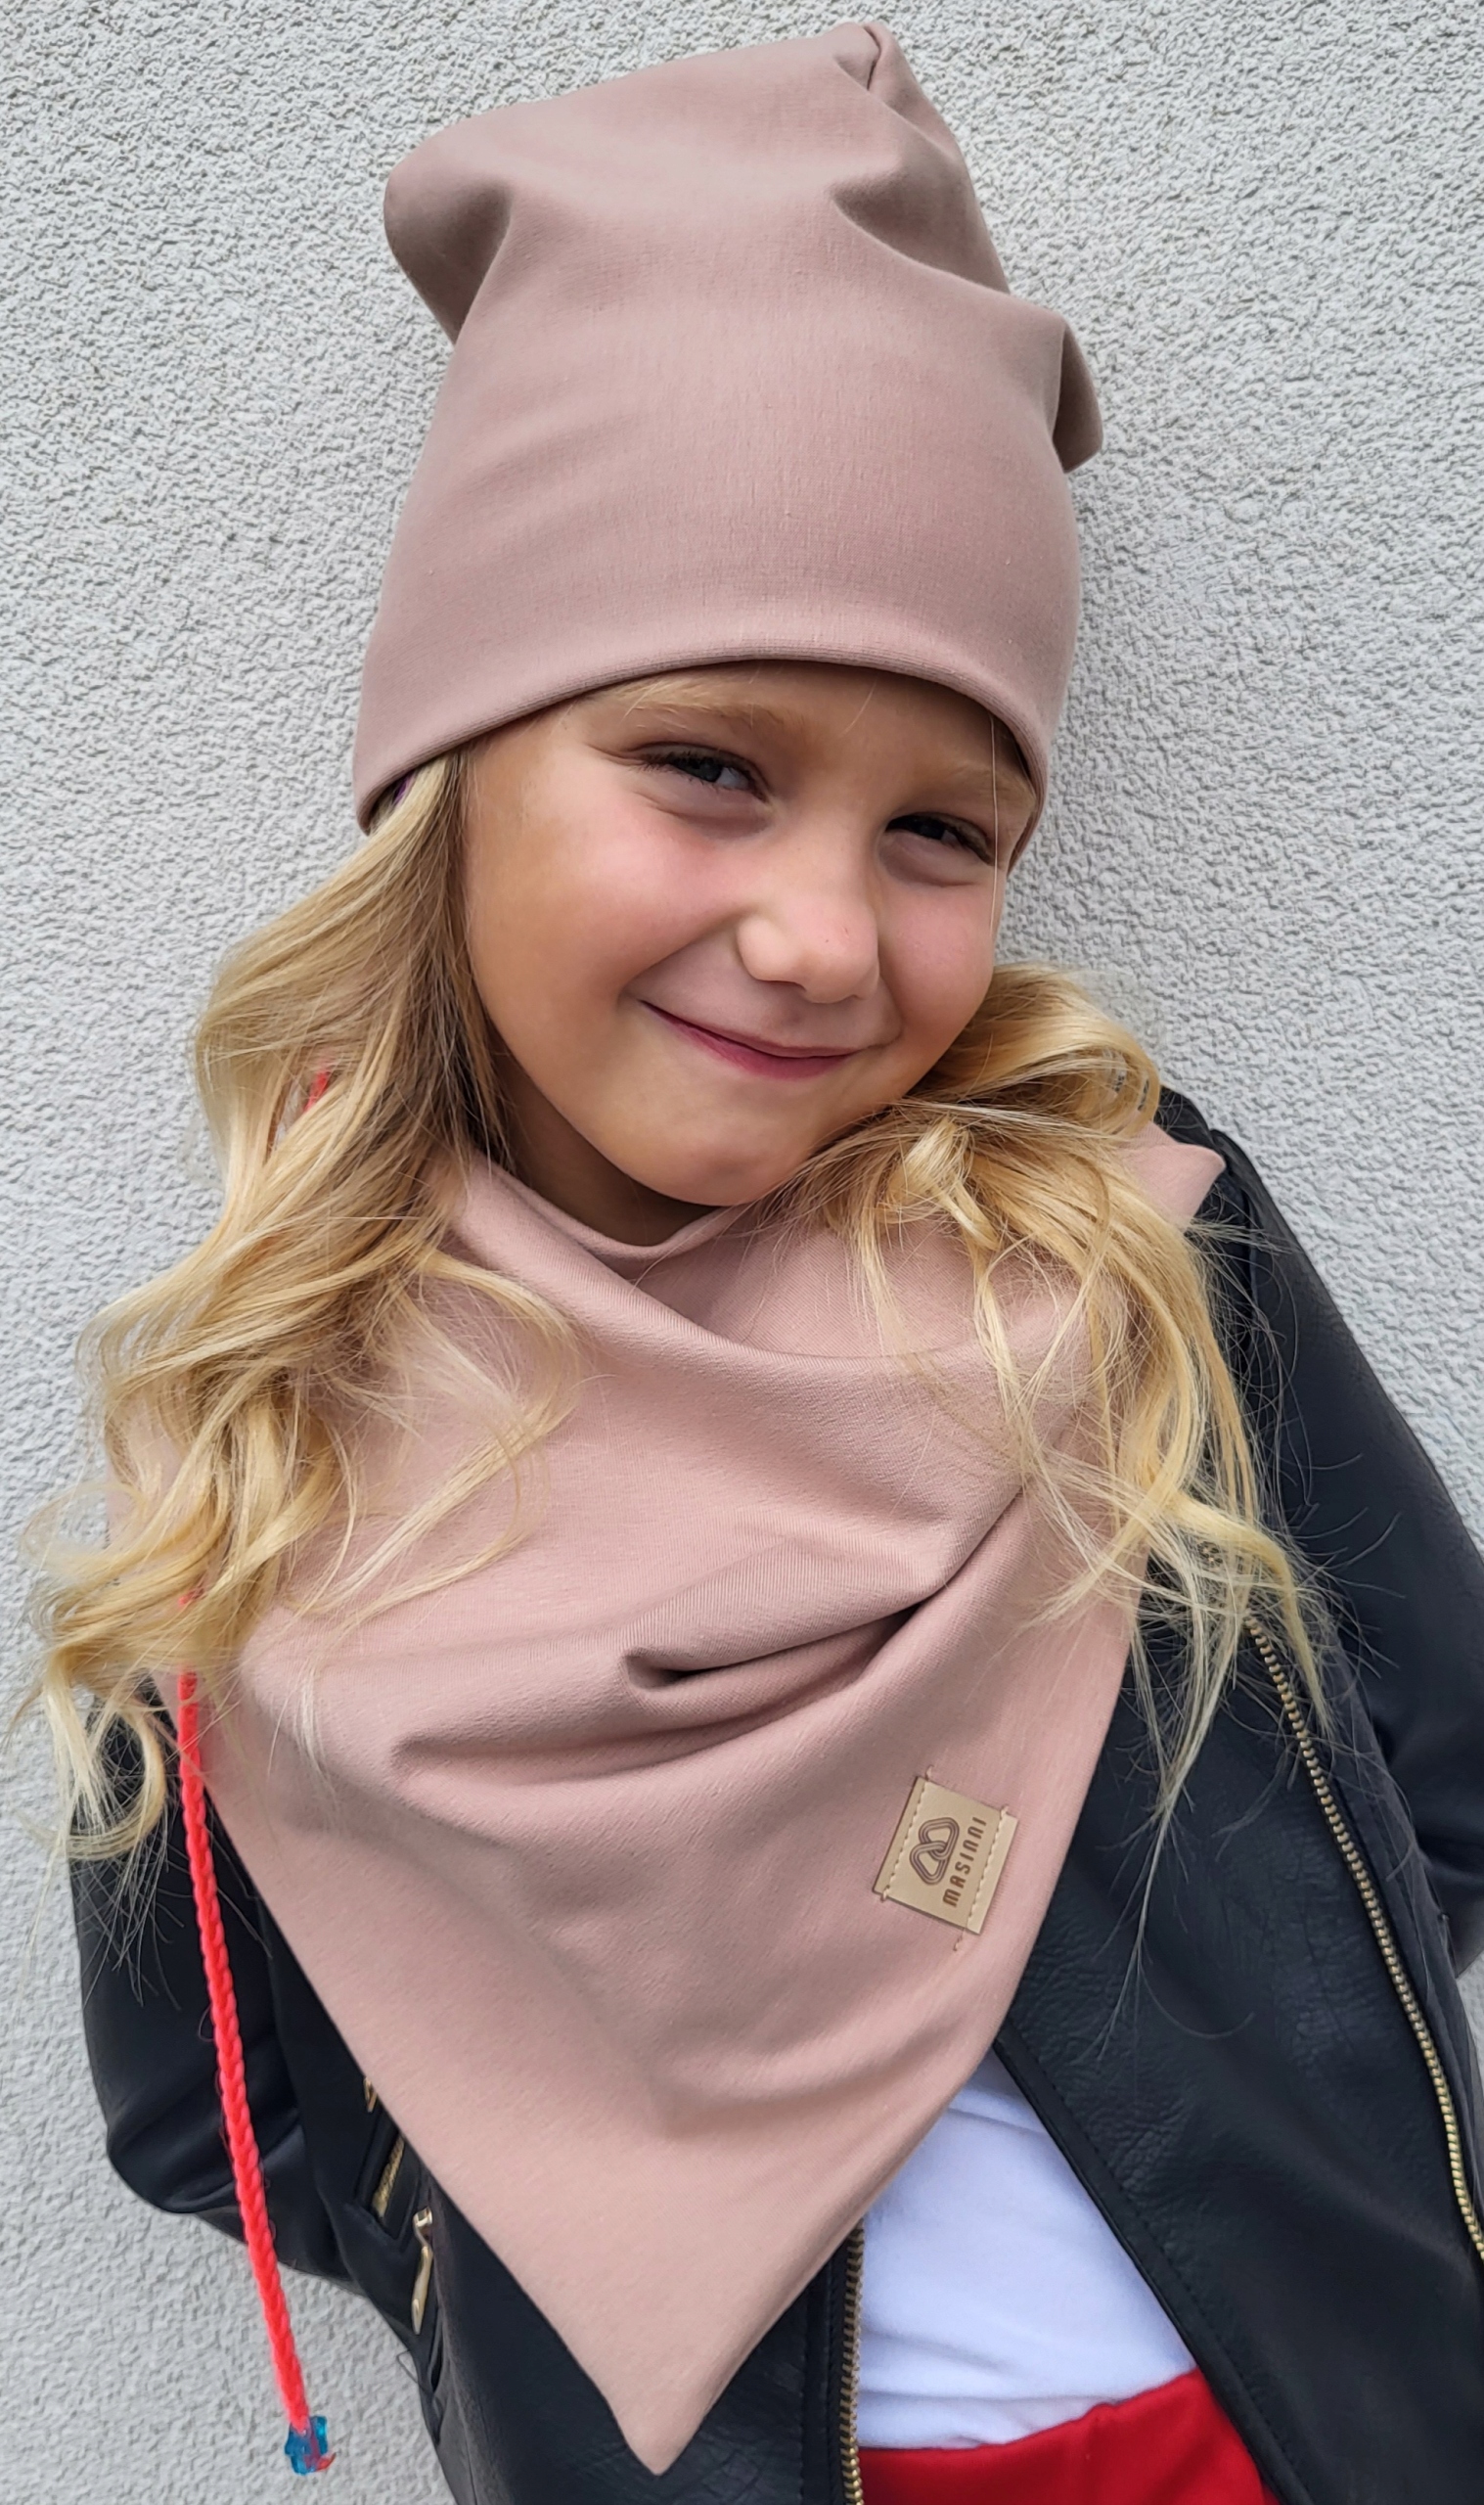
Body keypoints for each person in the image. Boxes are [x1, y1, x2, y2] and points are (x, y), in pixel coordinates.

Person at [34, 23, 1484, 2505]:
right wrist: (542, 2265)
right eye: (709, 764)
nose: (820, 932)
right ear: (457, 777)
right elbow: (214, 2107)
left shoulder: (1120, 1238)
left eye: (944, 827)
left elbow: (1438, 1769)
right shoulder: (273, 1407)